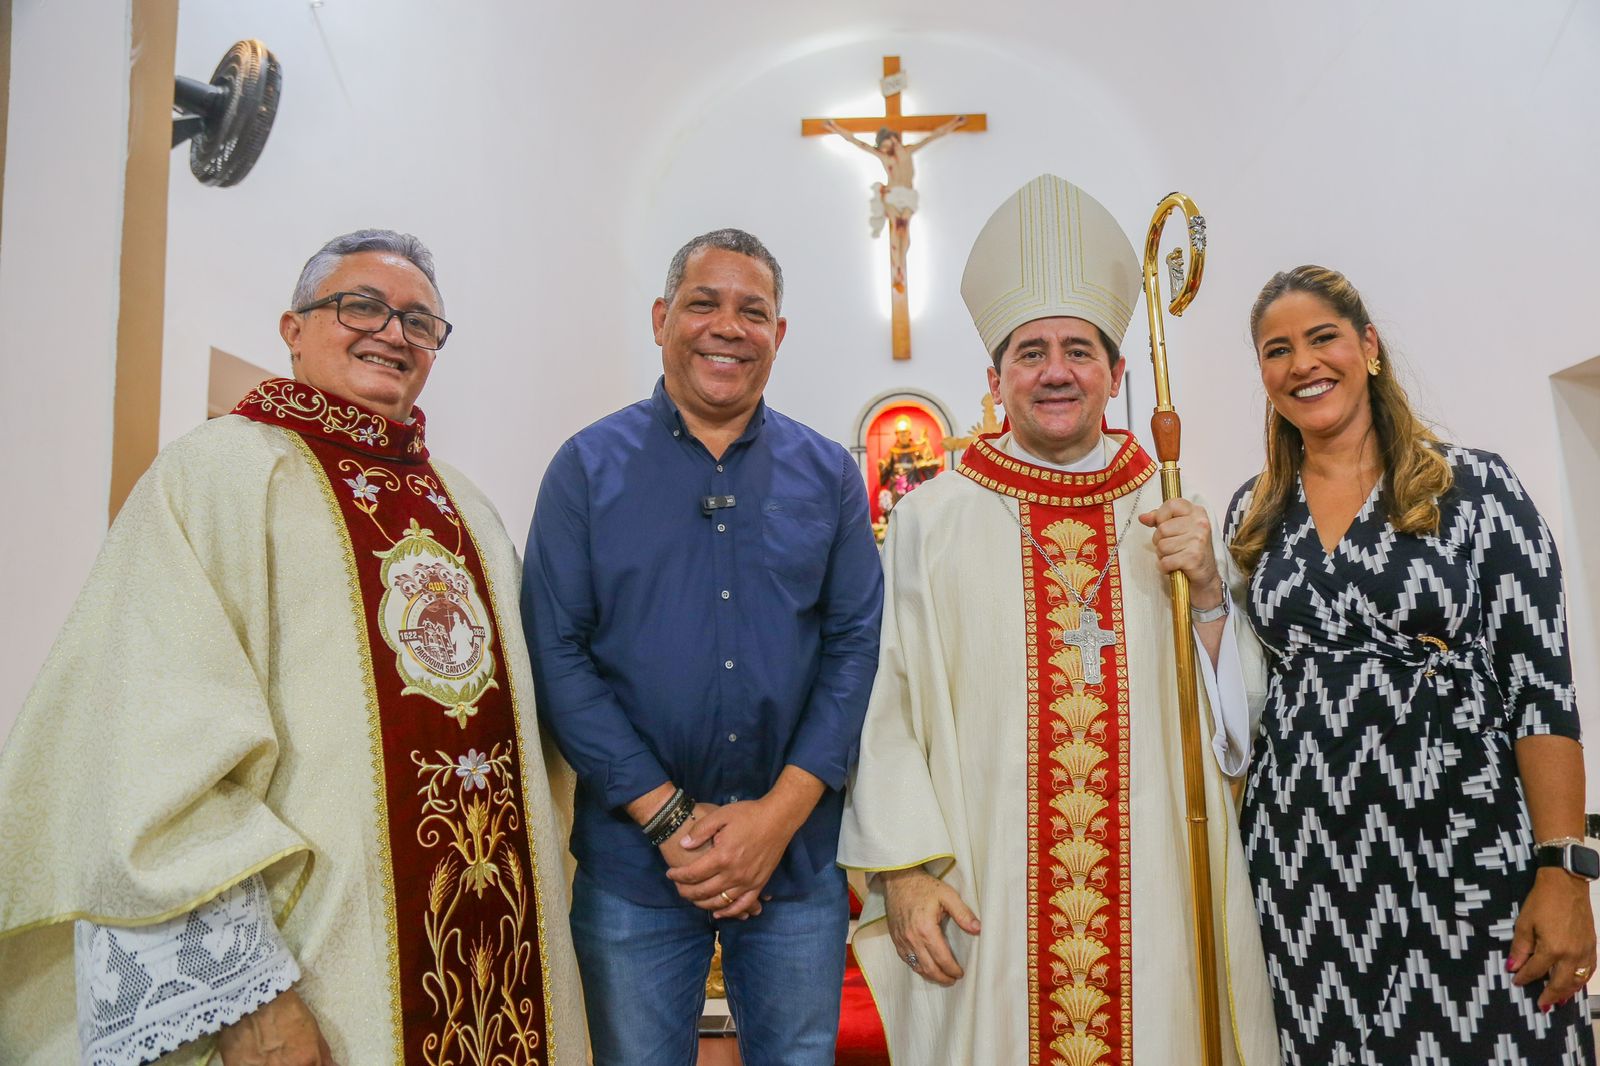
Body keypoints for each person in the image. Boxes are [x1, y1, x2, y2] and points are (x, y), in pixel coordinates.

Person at [0, 230, 587, 1064]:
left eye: (421, 321)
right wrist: (252, 1005)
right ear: (293, 328)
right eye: (361, 306)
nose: (393, 332)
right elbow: (145, 757)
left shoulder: (470, 508)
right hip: (319, 981)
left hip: (501, 967)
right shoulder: (218, 474)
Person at [837, 174, 1279, 1064]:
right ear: (994, 377)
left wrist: (1205, 597)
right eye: (1030, 351)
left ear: (1118, 373)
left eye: (1079, 349)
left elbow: (1240, 730)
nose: (1055, 371)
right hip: (988, 896)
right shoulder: (933, 517)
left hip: (1157, 893)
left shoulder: (1175, 509)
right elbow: (885, 704)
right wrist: (905, 871)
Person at [522, 228, 882, 1065]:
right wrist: (672, 820)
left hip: (795, 865)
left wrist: (774, 818)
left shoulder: (828, 473)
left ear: (779, 335)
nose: (729, 326)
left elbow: (855, 647)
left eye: (753, 311)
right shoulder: (585, 468)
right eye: (703, 303)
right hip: (635, 869)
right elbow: (559, 653)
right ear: (661, 318)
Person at [1225, 265, 1596, 1062]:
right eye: (1276, 350)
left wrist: (1564, 871)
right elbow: (1238, 696)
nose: (1302, 364)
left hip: (1464, 853)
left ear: (1369, 347)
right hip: (1304, 872)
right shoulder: (1254, 516)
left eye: (1322, 338)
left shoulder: (1478, 488)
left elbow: (1541, 690)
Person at [821, 115, 965, 293]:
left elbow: (934, 135)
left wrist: (955, 123)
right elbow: (857, 142)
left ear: (892, 138)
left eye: (885, 143)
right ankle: (897, 269)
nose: (883, 148)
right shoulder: (883, 156)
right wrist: (835, 127)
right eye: (882, 146)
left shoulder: (908, 151)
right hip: (892, 195)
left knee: (904, 228)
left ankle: (900, 264)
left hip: (908, 195)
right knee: (896, 226)